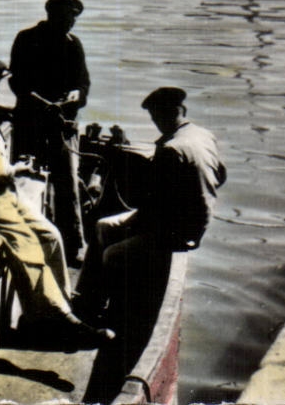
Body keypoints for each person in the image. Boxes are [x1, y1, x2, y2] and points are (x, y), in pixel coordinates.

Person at [0, 52, 111, 349]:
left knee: (50, 236)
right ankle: (58, 322)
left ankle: (56, 311)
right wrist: (16, 170)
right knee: (26, 246)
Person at [73, 87, 227, 323]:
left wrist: (134, 223)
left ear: (173, 113)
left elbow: (155, 209)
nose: (157, 123)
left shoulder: (171, 149)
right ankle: (87, 299)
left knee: (113, 254)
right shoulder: (203, 135)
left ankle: (110, 314)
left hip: (179, 231)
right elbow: (221, 175)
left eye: (158, 118)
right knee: (104, 226)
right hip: (192, 220)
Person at [9, 0, 90, 260]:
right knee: (25, 179)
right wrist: (42, 103)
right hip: (30, 120)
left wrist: (76, 95)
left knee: (67, 181)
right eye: (67, 18)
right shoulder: (26, 38)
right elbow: (17, 82)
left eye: (74, 19)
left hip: (62, 123)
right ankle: (25, 240)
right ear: (51, 15)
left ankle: (73, 244)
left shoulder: (73, 44)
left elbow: (83, 83)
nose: (71, 24)